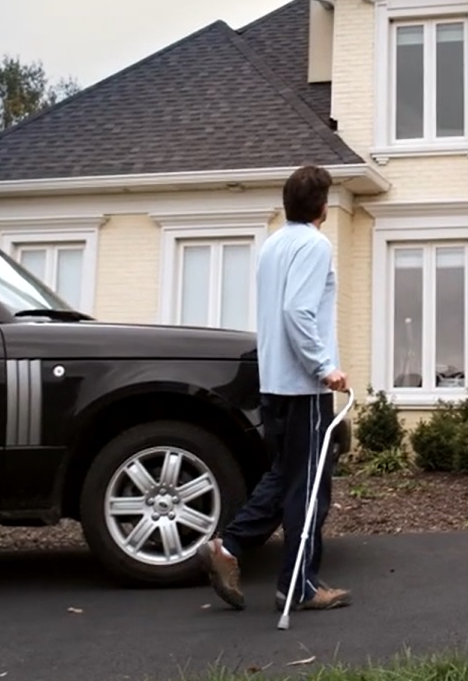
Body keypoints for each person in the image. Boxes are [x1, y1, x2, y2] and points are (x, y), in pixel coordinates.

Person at [199, 164, 351, 613]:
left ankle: (228, 549)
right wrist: (325, 368)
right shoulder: (314, 245)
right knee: (309, 487)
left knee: (284, 475)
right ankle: (300, 586)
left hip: (275, 382)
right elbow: (298, 311)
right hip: (304, 386)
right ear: (322, 206)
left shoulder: (272, 246)